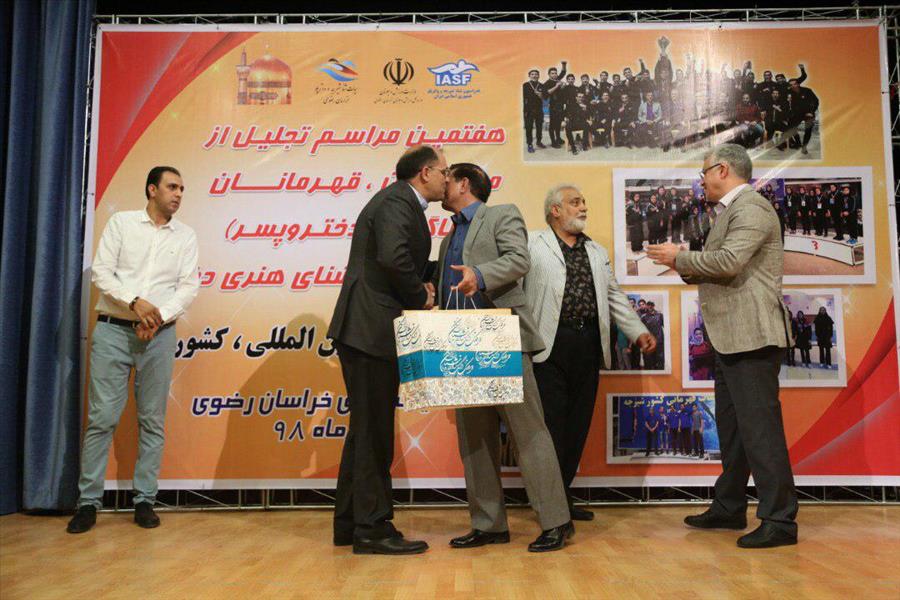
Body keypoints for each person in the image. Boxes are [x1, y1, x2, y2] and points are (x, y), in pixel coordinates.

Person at [646, 143, 799, 549]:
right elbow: (716, 266)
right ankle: (729, 506)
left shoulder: (751, 208)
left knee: (760, 431)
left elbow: (729, 262)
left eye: (704, 172)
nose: (701, 180)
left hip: (752, 336)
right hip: (731, 337)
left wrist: (680, 258)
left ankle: (780, 520)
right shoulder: (730, 211)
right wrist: (680, 262)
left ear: (723, 170)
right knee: (733, 432)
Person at [434, 163, 573, 553]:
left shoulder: (501, 214)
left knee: (528, 433)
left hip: (502, 337)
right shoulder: (448, 237)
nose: (442, 186)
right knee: (474, 438)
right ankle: (488, 524)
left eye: (447, 180)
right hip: (462, 343)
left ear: (464, 183)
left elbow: (518, 259)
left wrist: (479, 274)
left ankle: (556, 522)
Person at [67, 166, 200, 534]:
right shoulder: (122, 224)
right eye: (172, 187)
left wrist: (157, 318)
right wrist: (135, 303)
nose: (178, 194)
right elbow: (102, 273)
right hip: (113, 331)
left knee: (152, 420)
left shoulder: (186, 236)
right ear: (152, 189)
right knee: (102, 419)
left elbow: (188, 287)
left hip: (159, 336)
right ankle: (88, 503)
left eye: (182, 188)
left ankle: (144, 499)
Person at [327, 145, 445, 555]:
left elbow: (402, 259)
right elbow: (394, 259)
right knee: (373, 432)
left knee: (365, 430)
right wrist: (421, 295)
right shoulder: (397, 201)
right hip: (369, 330)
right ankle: (373, 529)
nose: (447, 179)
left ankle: (350, 523)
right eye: (444, 172)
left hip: (368, 330)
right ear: (425, 172)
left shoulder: (400, 203)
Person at [525, 184, 655, 521]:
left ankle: (562, 499)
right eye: (575, 202)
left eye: (583, 202)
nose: (583, 207)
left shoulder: (596, 251)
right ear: (555, 210)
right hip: (547, 346)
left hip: (587, 345)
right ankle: (549, 505)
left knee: (577, 425)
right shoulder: (531, 245)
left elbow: (614, 296)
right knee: (550, 426)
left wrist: (637, 331)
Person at [542, 62, 568, 148]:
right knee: (552, 125)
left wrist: (564, 64)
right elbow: (546, 94)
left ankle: (558, 138)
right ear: (549, 74)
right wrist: (557, 86)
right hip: (553, 106)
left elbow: (563, 72)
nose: (554, 75)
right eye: (552, 73)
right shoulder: (546, 83)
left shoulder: (557, 79)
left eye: (555, 73)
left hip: (560, 105)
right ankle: (553, 142)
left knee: (558, 124)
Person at [522, 69, 545, 153]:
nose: (534, 75)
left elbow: (544, 98)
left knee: (539, 127)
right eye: (532, 74)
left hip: (539, 109)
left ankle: (539, 141)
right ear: (529, 76)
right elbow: (523, 98)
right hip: (529, 109)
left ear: (539, 76)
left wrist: (540, 95)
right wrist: (525, 110)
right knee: (529, 127)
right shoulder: (525, 85)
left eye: (536, 74)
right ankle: (530, 144)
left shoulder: (541, 85)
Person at [640, 301, 664, 370]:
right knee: (649, 358)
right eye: (648, 305)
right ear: (647, 306)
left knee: (659, 358)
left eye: (651, 305)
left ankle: (660, 372)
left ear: (654, 306)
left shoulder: (660, 315)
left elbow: (666, 326)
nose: (650, 307)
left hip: (659, 340)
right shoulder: (644, 317)